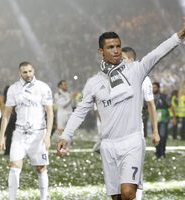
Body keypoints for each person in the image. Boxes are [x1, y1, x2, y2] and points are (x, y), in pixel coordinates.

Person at [57, 24, 185, 200]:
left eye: (118, 46)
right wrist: (66, 135)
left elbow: (158, 53)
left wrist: (180, 35)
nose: (116, 50)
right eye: (111, 47)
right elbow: (80, 111)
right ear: (101, 51)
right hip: (108, 145)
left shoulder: (136, 71)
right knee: (117, 197)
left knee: (128, 193)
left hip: (132, 141)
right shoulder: (94, 83)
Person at [0, 61, 53, 200]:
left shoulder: (43, 87)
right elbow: (6, 114)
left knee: (41, 168)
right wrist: (1, 137)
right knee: (14, 166)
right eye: (25, 72)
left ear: (33, 71)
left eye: (30, 71)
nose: (28, 74)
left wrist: (48, 136)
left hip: (38, 134)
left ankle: (44, 198)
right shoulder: (13, 89)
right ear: (19, 73)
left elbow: (50, 113)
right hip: (20, 134)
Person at [121, 46, 160, 200]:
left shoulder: (143, 78)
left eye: (122, 59)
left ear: (131, 60)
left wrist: (155, 131)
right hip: (116, 134)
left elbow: (151, 105)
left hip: (134, 133)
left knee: (135, 175)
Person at [152, 82, 176, 159]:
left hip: (164, 120)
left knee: (162, 136)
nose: (153, 89)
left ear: (158, 88)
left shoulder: (164, 96)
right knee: (155, 137)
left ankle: (162, 153)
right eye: (152, 87)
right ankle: (157, 153)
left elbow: (171, 107)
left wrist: (174, 117)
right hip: (154, 120)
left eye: (155, 87)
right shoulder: (150, 97)